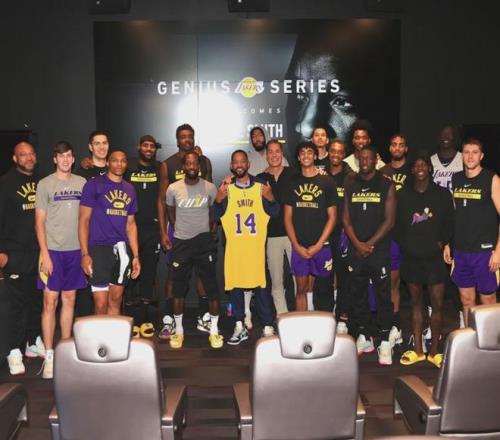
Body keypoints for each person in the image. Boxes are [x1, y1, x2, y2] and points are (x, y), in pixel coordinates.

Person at [396, 152, 453, 368]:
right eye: (416, 165)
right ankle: (418, 351)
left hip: (435, 260)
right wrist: (406, 245)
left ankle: (434, 352)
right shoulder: (402, 195)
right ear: (412, 170)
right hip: (411, 258)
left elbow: (450, 221)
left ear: (430, 168)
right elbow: (395, 225)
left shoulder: (442, 194)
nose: (420, 168)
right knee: (415, 304)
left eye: (424, 165)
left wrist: (442, 241)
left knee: (437, 305)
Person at [35, 141, 87, 379]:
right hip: (53, 251)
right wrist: (45, 254)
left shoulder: (82, 183)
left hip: (75, 250)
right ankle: (49, 356)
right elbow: (39, 222)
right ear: (54, 159)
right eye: (61, 156)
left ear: (73, 159)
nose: (65, 159)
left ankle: (64, 354)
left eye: (69, 155)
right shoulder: (45, 184)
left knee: (69, 300)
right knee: (50, 302)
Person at [214, 150, 278, 344]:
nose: (239, 164)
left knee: (262, 288)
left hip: (255, 250)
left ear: (248, 164)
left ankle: (267, 325)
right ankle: (239, 325)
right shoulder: (226, 189)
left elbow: (275, 213)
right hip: (235, 251)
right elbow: (215, 216)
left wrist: (270, 197)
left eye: (243, 161)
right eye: (236, 162)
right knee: (235, 289)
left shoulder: (260, 188)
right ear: (231, 166)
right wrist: (218, 197)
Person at [157, 123, 213, 339]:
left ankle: (204, 316)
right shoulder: (168, 164)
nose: (187, 139)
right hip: (177, 229)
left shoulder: (204, 161)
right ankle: (169, 319)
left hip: (201, 229)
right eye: (183, 136)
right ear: (177, 139)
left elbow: (209, 195)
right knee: (174, 274)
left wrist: (211, 225)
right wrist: (164, 232)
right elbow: (162, 201)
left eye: (190, 136)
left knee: (202, 273)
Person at [343, 146, 396, 365]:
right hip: (356, 249)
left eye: (369, 158)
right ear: (358, 160)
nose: (365, 161)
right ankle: (365, 335)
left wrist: (369, 244)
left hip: (378, 250)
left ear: (376, 160)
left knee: (383, 295)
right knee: (358, 293)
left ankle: (384, 338)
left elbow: (390, 220)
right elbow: (345, 219)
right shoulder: (350, 183)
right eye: (361, 158)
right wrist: (357, 244)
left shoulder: (386, 184)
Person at [166, 151, 223, 349]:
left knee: (212, 289)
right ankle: (179, 331)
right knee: (178, 290)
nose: (191, 166)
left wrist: (209, 229)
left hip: (204, 243)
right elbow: (170, 213)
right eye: (188, 163)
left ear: (199, 166)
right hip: (181, 243)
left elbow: (215, 211)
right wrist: (181, 230)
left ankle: (214, 331)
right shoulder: (173, 188)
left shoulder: (209, 187)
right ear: (183, 166)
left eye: (195, 163)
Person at [445, 138, 500, 327]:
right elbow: (454, 215)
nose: (470, 156)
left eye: (475, 152)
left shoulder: (492, 179)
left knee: (488, 301)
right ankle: (471, 338)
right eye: (466, 152)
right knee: (466, 300)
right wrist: (448, 243)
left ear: (481, 156)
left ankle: (490, 341)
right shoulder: (456, 179)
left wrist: (498, 251)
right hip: (461, 251)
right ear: (462, 155)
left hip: (485, 253)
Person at [0, 141, 44, 375]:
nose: (28, 158)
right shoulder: (5, 183)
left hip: (39, 253)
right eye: (23, 155)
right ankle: (14, 351)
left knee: (36, 301)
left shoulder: (41, 181)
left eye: (31, 154)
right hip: (14, 254)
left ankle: (32, 342)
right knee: (16, 306)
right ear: (15, 158)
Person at [79, 149, 141, 315]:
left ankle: (113, 333)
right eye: (115, 160)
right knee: (100, 304)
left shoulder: (130, 189)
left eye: (123, 160)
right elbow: (83, 221)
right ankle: (99, 334)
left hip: (122, 250)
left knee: (116, 301)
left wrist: (136, 256)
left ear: (126, 164)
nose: (119, 164)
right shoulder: (94, 184)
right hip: (98, 249)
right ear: (107, 163)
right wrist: (85, 254)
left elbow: (131, 225)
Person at [283, 142, 337, 312]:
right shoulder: (292, 182)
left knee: (324, 289)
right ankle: (303, 326)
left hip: (322, 246)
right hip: (299, 246)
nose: (306, 155)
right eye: (302, 153)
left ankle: (324, 324)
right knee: (301, 289)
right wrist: (296, 245)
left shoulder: (327, 181)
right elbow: (287, 218)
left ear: (315, 156)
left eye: (309, 152)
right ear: (298, 157)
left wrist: (319, 245)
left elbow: (332, 217)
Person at [124, 135, 162, 337]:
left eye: (152, 146)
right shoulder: (128, 166)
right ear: (139, 147)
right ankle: (132, 320)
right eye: (145, 145)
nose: (148, 149)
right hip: (131, 228)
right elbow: (106, 168)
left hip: (152, 229)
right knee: (130, 274)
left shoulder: (160, 168)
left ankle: (146, 320)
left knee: (148, 274)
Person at [257, 139, 296, 315]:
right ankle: (282, 315)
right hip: (271, 235)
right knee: (276, 280)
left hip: (293, 234)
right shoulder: (260, 179)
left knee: (298, 278)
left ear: (282, 153)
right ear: (266, 155)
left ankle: (300, 313)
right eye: (270, 152)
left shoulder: (293, 174)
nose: (274, 155)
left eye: (277, 151)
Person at [74, 130, 111, 317]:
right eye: (97, 143)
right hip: (87, 238)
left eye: (104, 143)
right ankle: (85, 332)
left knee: (111, 295)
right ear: (90, 147)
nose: (101, 147)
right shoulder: (82, 172)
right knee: (84, 294)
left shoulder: (116, 169)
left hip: (110, 239)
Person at [431, 125, 465, 329]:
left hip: (459, 221)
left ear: (455, 138)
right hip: (435, 222)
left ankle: (462, 315)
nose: (445, 137)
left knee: (459, 272)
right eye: (442, 134)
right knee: (434, 274)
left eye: (449, 135)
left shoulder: (463, 158)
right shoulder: (431, 161)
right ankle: (432, 318)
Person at [380, 134, 412, 347]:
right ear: (390, 148)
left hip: (409, 234)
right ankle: (391, 324)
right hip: (387, 234)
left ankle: (401, 327)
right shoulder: (383, 171)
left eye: (401, 145)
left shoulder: (413, 171)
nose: (397, 148)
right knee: (389, 282)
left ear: (406, 149)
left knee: (407, 283)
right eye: (394, 144)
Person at [326, 138, 352, 332]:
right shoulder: (320, 174)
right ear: (328, 152)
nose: (336, 154)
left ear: (344, 154)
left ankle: (343, 314)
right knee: (325, 277)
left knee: (343, 277)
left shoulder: (350, 177)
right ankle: (327, 315)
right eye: (333, 151)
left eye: (339, 151)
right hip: (324, 234)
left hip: (343, 235)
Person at [431, 126, 463, 192]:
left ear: (454, 136)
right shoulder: (431, 160)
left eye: (449, 133)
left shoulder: (463, 158)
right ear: (438, 137)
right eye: (443, 133)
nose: (446, 136)